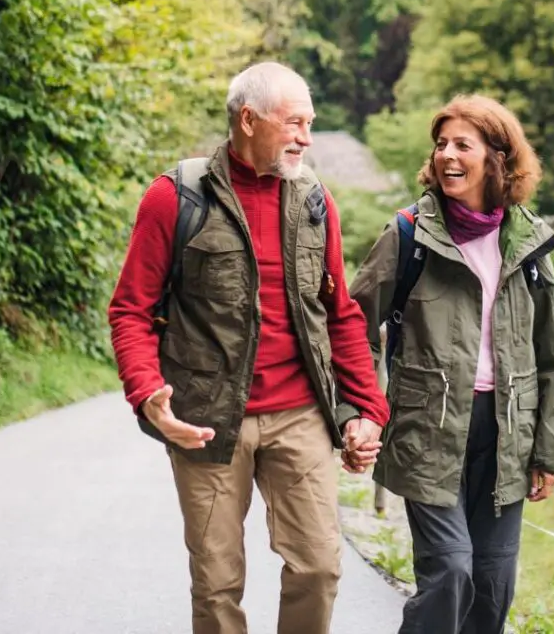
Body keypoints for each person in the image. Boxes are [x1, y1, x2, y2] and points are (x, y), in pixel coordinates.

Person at [108, 61, 389, 634]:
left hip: (300, 414)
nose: (306, 138)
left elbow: (339, 312)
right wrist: (148, 393)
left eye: (310, 123)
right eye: (294, 123)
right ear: (248, 119)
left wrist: (367, 408)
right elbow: (130, 309)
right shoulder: (175, 197)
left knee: (318, 568)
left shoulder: (315, 200)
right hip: (206, 421)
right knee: (216, 585)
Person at [351, 95, 554, 634]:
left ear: (498, 157)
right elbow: (354, 326)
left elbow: (552, 356)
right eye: (441, 144)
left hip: (507, 438)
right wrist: (362, 411)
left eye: (462, 145)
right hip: (427, 431)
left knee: (492, 588)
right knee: (450, 573)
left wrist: (546, 451)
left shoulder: (528, 241)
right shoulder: (409, 234)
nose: (447, 154)